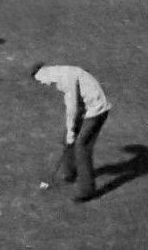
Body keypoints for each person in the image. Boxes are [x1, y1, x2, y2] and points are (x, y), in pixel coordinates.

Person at [31, 63, 112, 202]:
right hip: (86, 108)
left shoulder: (65, 78)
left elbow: (72, 107)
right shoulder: (60, 72)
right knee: (67, 139)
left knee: (82, 146)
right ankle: (70, 173)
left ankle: (87, 191)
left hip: (97, 110)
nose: (43, 84)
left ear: (44, 74)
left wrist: (71, 131)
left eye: (41, 81)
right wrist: (69, 133)